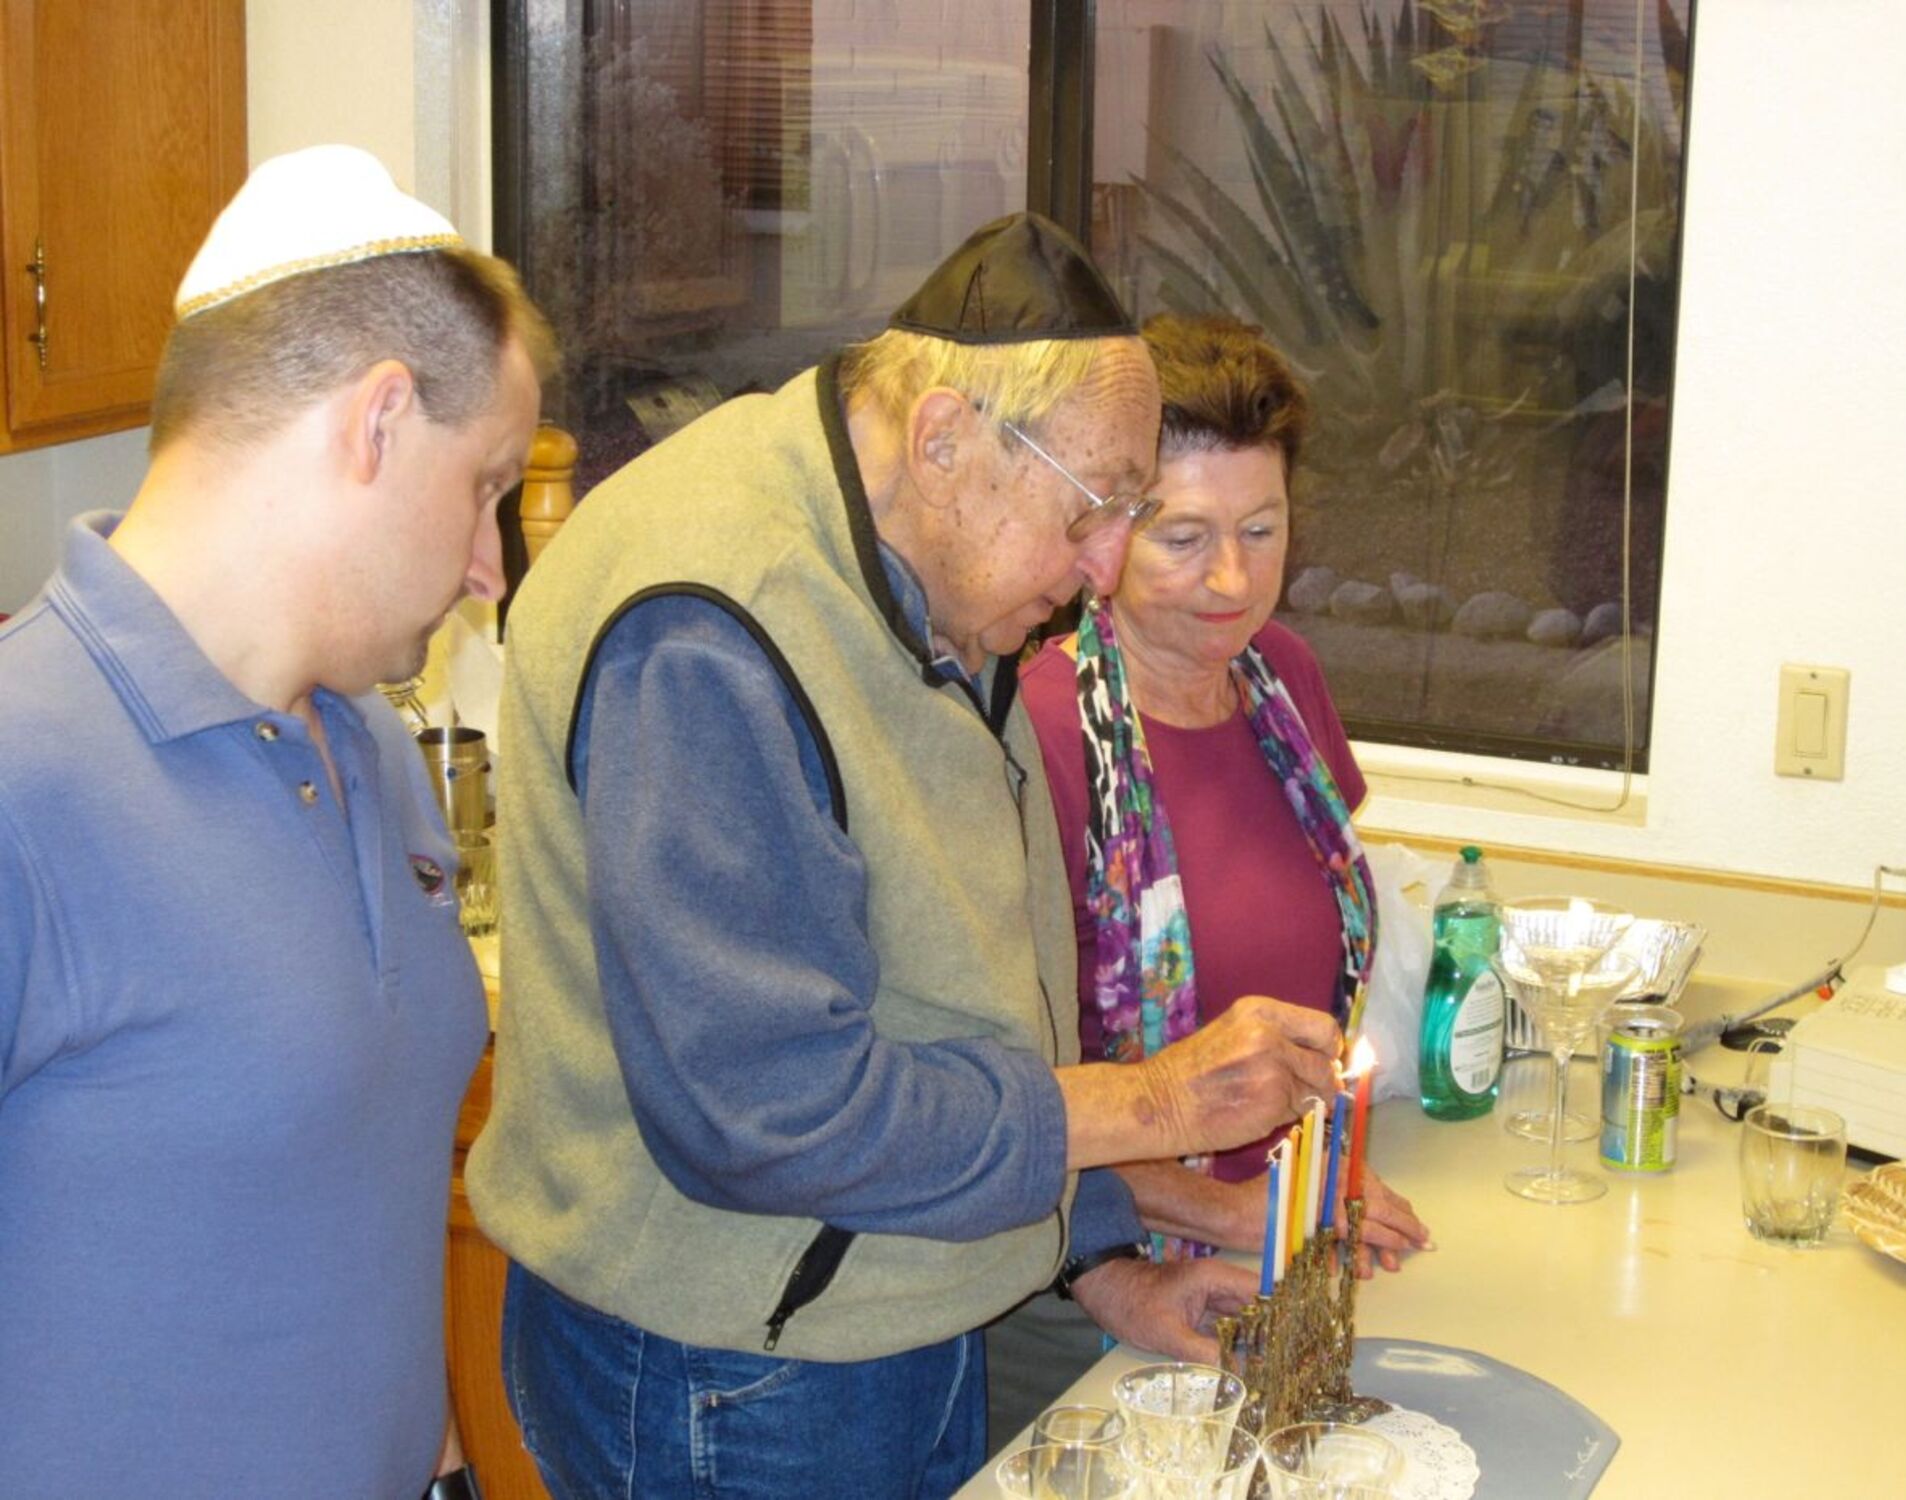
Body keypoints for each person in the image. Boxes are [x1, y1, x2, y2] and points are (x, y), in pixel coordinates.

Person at [467, 214, 1346, 1499]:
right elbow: (771, 1114)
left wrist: (1099, 1250)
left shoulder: (925, 551)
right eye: (1091, 513)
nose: (1105, 569)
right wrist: (1155, 1104)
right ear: (942, 439)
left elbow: (956, 992)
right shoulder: (709, 628)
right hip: (732, 1372)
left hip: (898, 1313)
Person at [0, 145, 554, 1497]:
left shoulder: (372, 745)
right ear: (377, 422)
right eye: (486, 485)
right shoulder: (26, 775)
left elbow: (341, 1193)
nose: (492, 565)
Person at [996, 314, 1432, 1431]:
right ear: (1104, 531)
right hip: (1094, 1282)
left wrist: (1302, 1199)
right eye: (1184, 536)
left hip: (1287, 1246)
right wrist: (1225, 1209)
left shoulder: (1281, 678)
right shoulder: (1036, 734)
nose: (1233, 578)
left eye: (1261, 528)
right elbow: (1000, 1101)